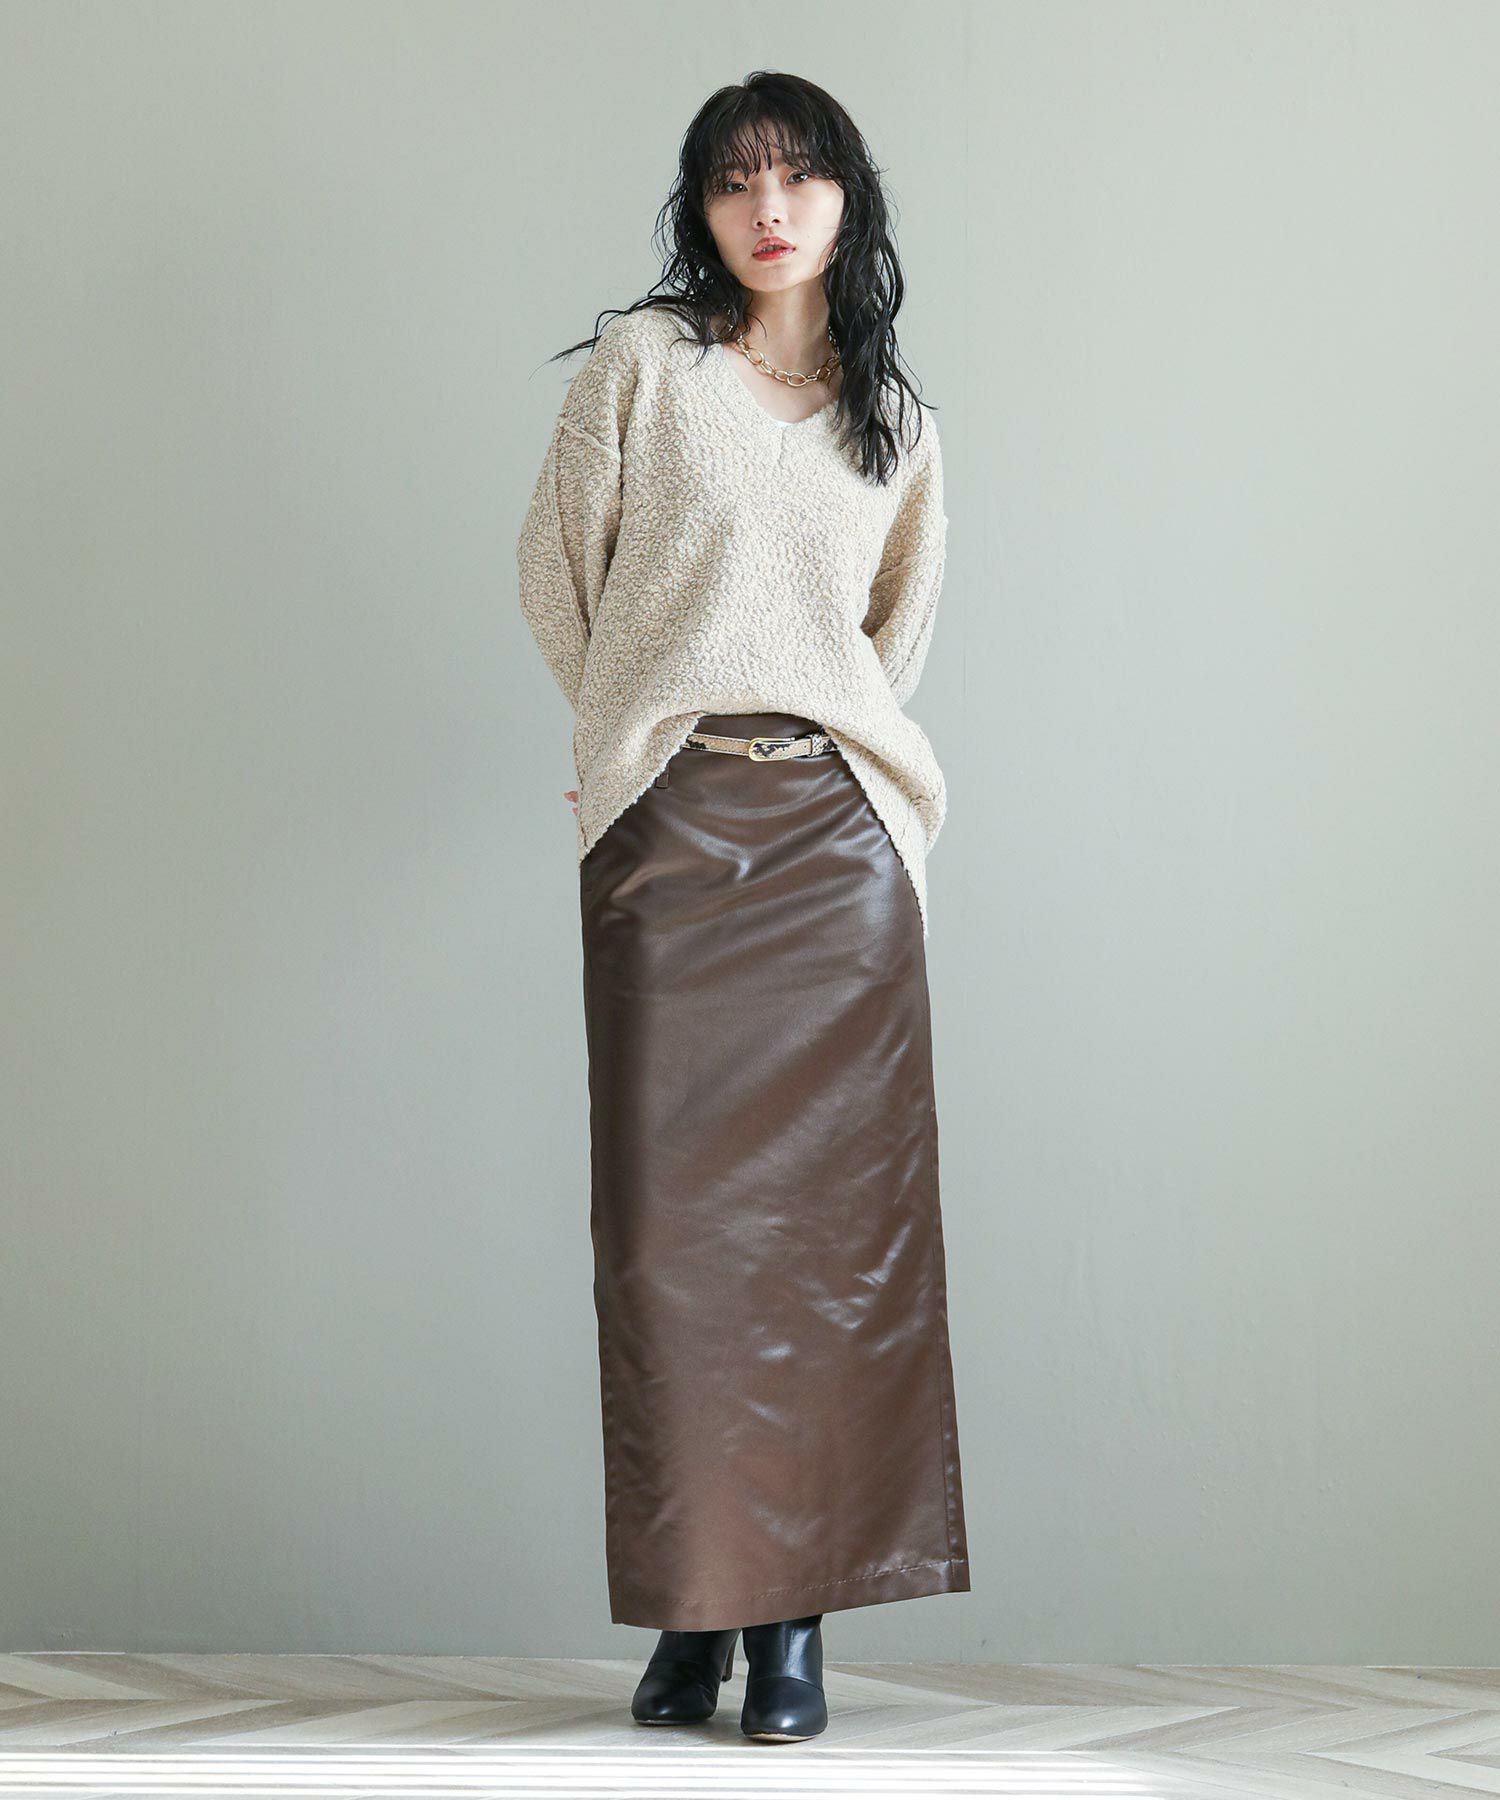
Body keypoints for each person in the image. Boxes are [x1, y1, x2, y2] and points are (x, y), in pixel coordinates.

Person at [516, 70, 969, 1744]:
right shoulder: (645, 367)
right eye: (732, 181)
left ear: (849, 197)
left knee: (832, 1257)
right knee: (672, 1254)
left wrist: (834, 763)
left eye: (798, 176)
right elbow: (554, 575)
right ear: (699, 208)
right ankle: (693, 1606)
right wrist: (623, 749)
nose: (767, 209)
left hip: (840, 851)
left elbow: (891, 642)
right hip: (673, 824)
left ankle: (792, 1633)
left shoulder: (895, 420)